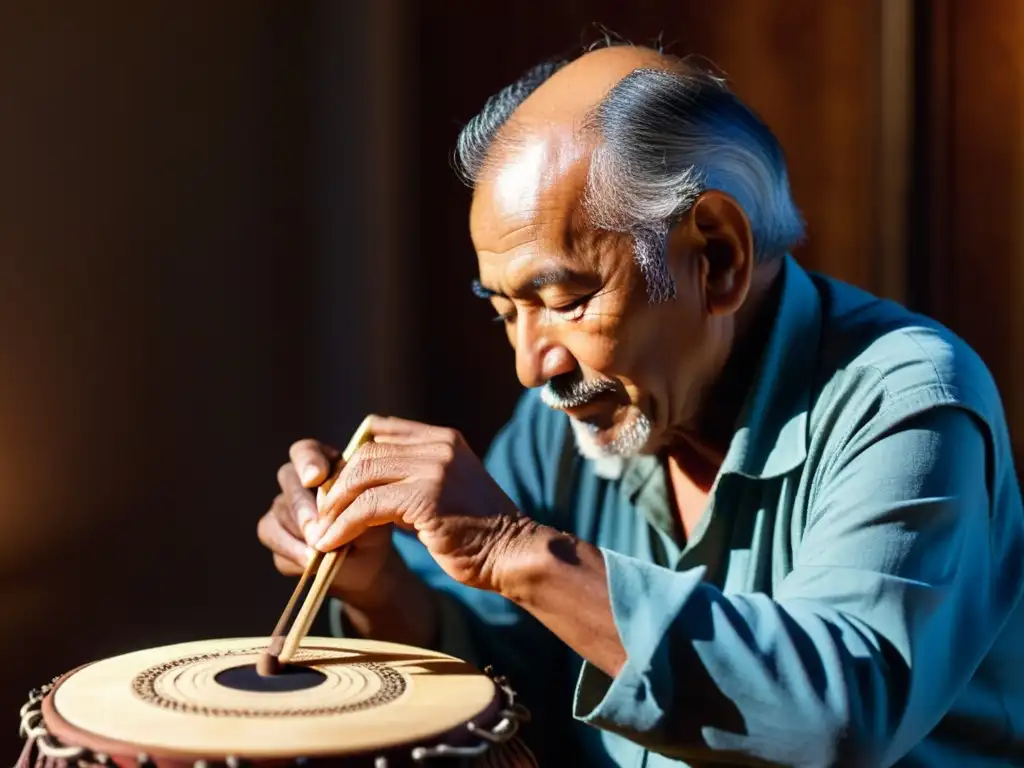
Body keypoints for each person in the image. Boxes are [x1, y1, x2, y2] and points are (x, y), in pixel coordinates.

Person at [257, 42, 1024, 767]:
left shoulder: (909, 397)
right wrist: (373, 583)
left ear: (717, 256)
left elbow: (839, 717)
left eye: (566, 299)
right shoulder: (575, 418)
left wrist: (512, 548)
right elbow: (503, 661)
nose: (532, 366)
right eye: (504, 310)